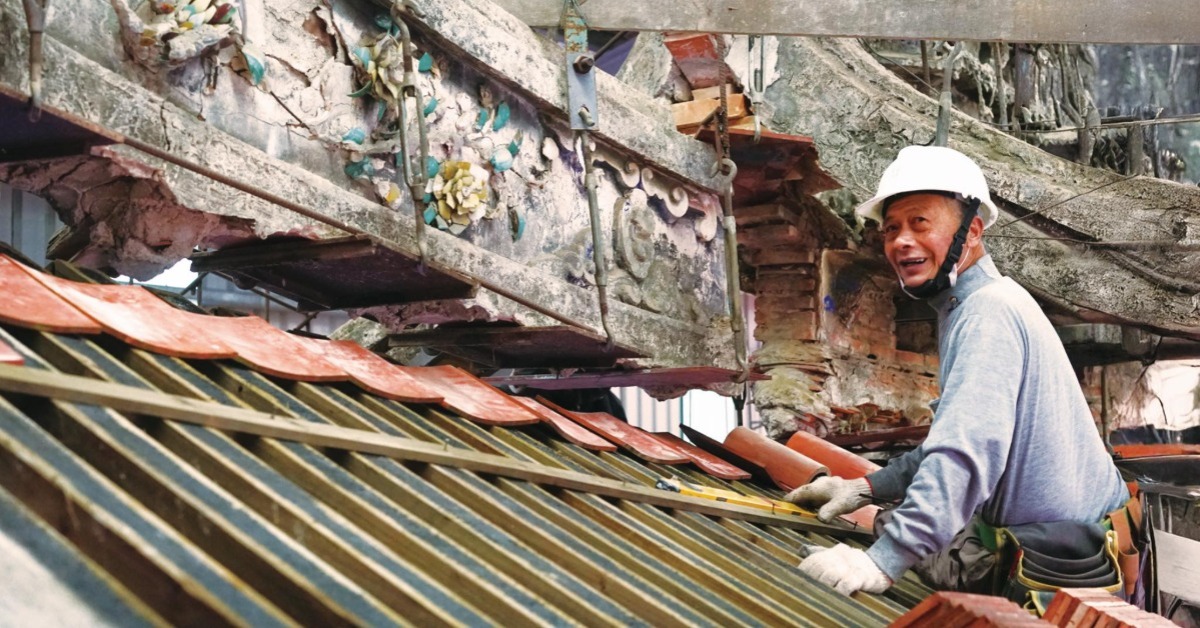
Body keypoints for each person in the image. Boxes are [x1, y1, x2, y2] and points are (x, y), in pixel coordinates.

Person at [786, 146, 1130, 596]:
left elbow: (965, 452)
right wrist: (865, 487)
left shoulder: (987, 313)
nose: (901, 241)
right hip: (1067, 546)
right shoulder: (972, 305)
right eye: (891, 228)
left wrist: (882, 560)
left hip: (1071, 566)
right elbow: (949, 439)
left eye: (920, 223)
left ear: (972, 231)